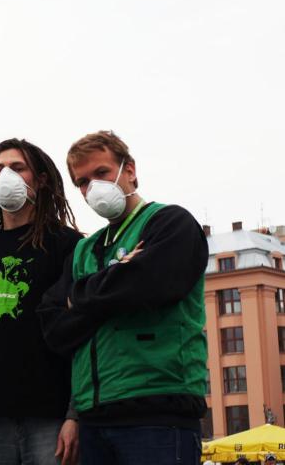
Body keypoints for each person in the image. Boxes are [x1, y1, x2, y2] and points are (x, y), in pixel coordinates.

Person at [38, 131, 208, 465]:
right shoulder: (84, 248)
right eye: (82, 182)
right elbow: (53, 325)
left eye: (100, 173)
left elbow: (152, 285)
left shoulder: (171, 223)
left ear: (128, 169)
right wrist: (118, 280)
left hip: (158, 412)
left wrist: (81, 297)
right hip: (93, 416)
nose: (92, 188)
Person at [0, 139, 81, 465]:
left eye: (17, 167)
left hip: (51, 413)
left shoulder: (70, 246)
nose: (6, 175)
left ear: (41, 179)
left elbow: (83, 335)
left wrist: (75, 415)